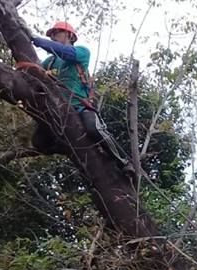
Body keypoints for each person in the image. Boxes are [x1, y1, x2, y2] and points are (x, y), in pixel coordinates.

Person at [31, 21, 130, 168]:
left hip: (81, 105)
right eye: (51, 35)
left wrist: (38, 41)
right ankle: (69, 147)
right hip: (57, 108)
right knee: (39, 142)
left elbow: (65, 52)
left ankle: (124, 161)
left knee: (94, 129)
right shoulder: (50, 62)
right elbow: (33, 72)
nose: (53, 37)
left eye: (57, 33)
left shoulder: (81, 52)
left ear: (70, 35)